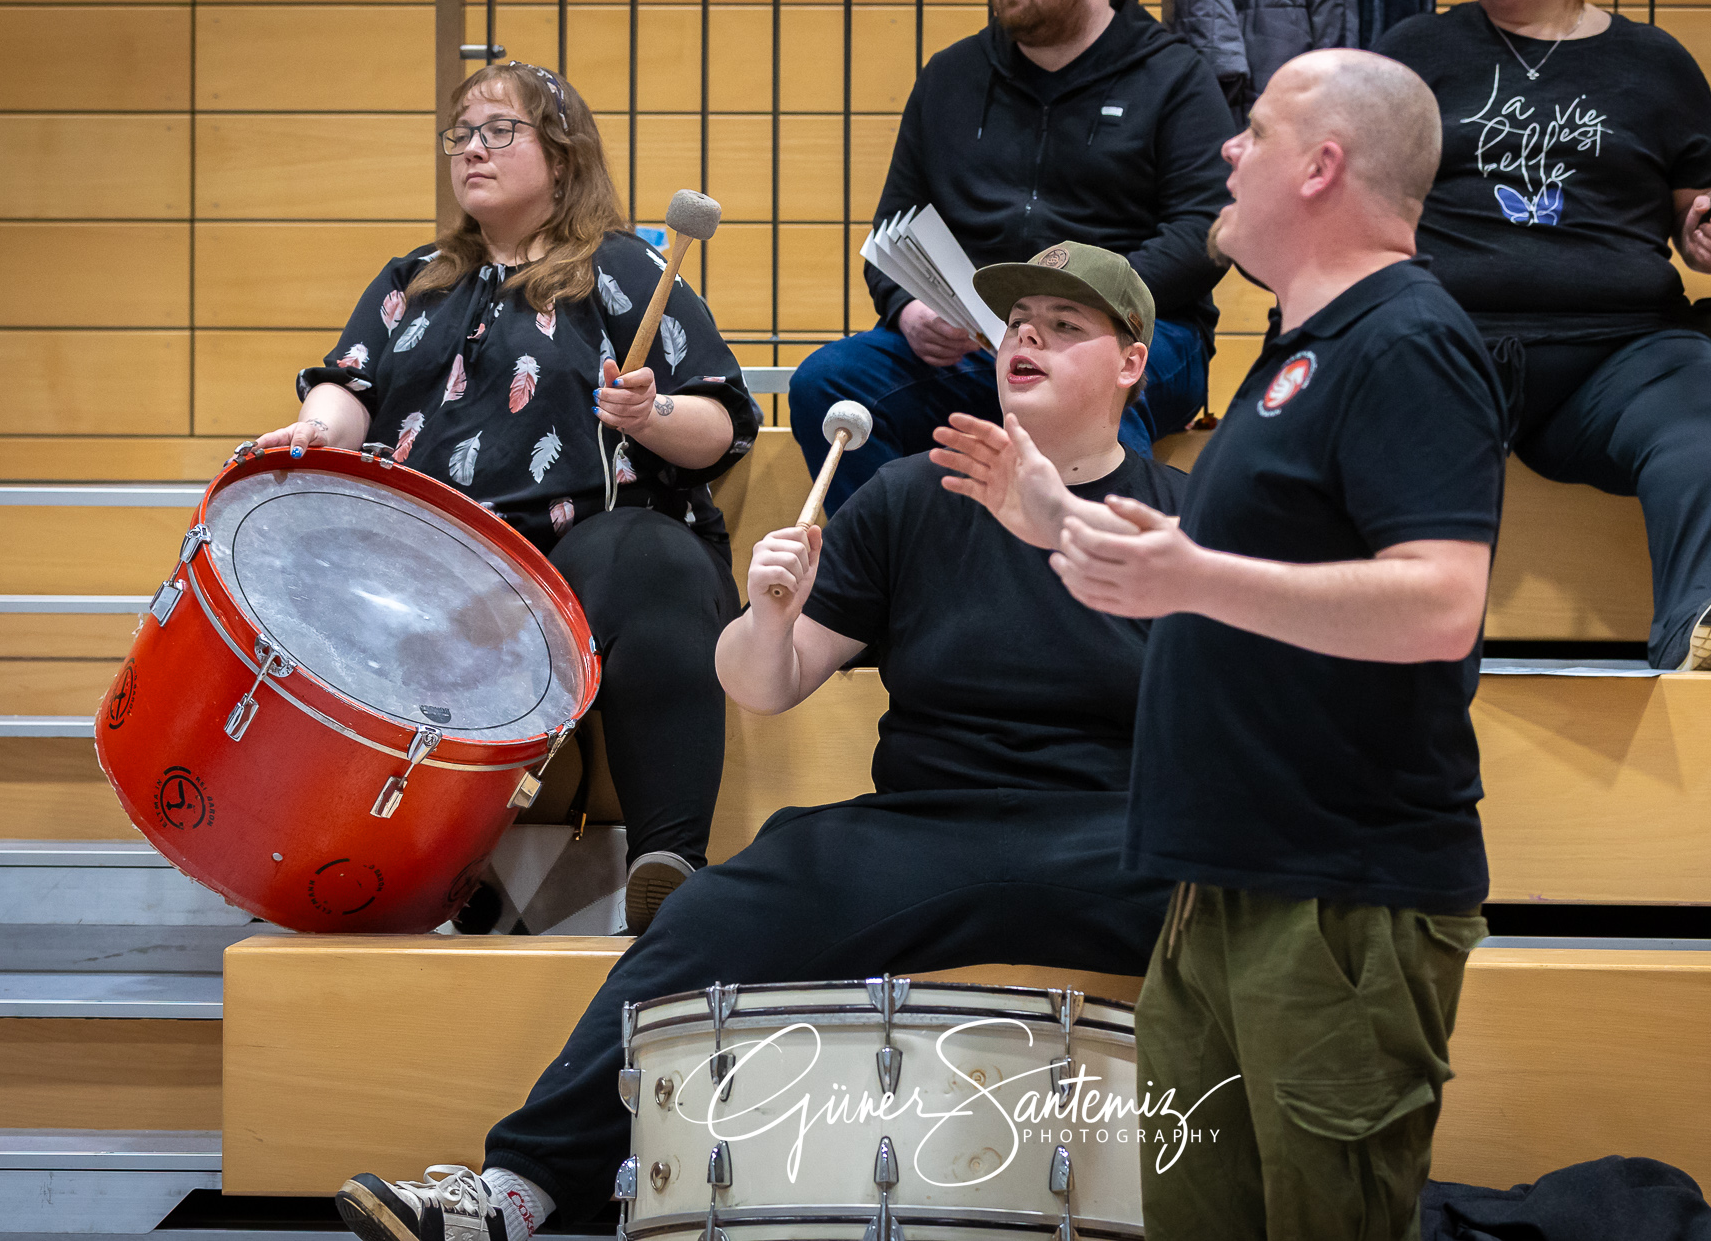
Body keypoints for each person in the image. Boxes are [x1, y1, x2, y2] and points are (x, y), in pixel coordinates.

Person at [328, 244, 1181, 1241]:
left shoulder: (1180, 519)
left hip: (1118, 837)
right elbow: (760, 683)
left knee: (1282, 910)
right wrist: (769, 614)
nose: (1025, 336)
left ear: (1130, 363)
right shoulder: (908, 495)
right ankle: (515, 1193)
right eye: (1017, 321)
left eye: (1063, 326)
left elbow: (1243, 707)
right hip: (921, 830)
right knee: (715, 906)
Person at [936, 50, 1505, 1240]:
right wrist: (1062, 524)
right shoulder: (1299, 351)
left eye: (1252, 132)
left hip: (1336, 895)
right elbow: (1251, 589)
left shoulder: (1406, 342)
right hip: (1221, 879)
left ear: (1322, 165)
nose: (1224, 155)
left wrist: (1188, 572)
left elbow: (1439, 600)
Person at [255, 60, 762, 934]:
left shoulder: (624, 268)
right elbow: (348, 387)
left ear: (561, 160)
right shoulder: (413, 278)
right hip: (437, 561)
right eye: (462, 133)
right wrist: (312, 429)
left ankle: (669, 868)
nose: (473, 149)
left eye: (500, 130)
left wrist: (653, 411)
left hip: (586, 555)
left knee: (647, 556)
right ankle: (417, 865)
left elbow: (720, 420)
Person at [1374, 0, 1711, 672]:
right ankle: (1403, 669)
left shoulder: (1655, 63)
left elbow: (1699, 219)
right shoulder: (1414, 53)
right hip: (1451, 344)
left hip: (1619, 355)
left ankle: (1701, 633)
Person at [787, 0, 1234, 515]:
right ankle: (901, 579)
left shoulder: (1172, 76)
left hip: (1134, 335)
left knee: (1084, 389)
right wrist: (908, 312)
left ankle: (1104, 599)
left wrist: (1082, 312)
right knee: (829, 384)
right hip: (980, 341)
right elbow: (894, 226)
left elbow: (1206, 229)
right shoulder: (951, 77)